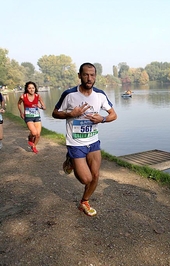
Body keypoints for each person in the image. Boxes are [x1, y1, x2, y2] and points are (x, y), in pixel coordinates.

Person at [52, 62, 117, 217]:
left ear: (95, 76)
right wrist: (70, 114)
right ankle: (71, 159)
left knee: (95, 177)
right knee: (86, 179)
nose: (89, 78)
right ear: (79, 75)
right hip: (75, 143)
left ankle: (84, 201)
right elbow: (55, 113)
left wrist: (102, 119)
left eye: (92, 75)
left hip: (93, 141)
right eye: (86, 74)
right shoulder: (69, 95)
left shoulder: (100, 95)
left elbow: (113, 115)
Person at [17, 81, 46, 154]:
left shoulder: (38, 96)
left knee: (38, 135)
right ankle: (30, 137)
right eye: (29, 88)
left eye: (33, 88)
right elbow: (19, 104)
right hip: (28, 117)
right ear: (27, 89)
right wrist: (21, 112)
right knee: (34, 132)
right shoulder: (23, 97)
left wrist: (41, 107)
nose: (31, 90)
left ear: (35, 88)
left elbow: (44, 107)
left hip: (36, 116)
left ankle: (34, 146)